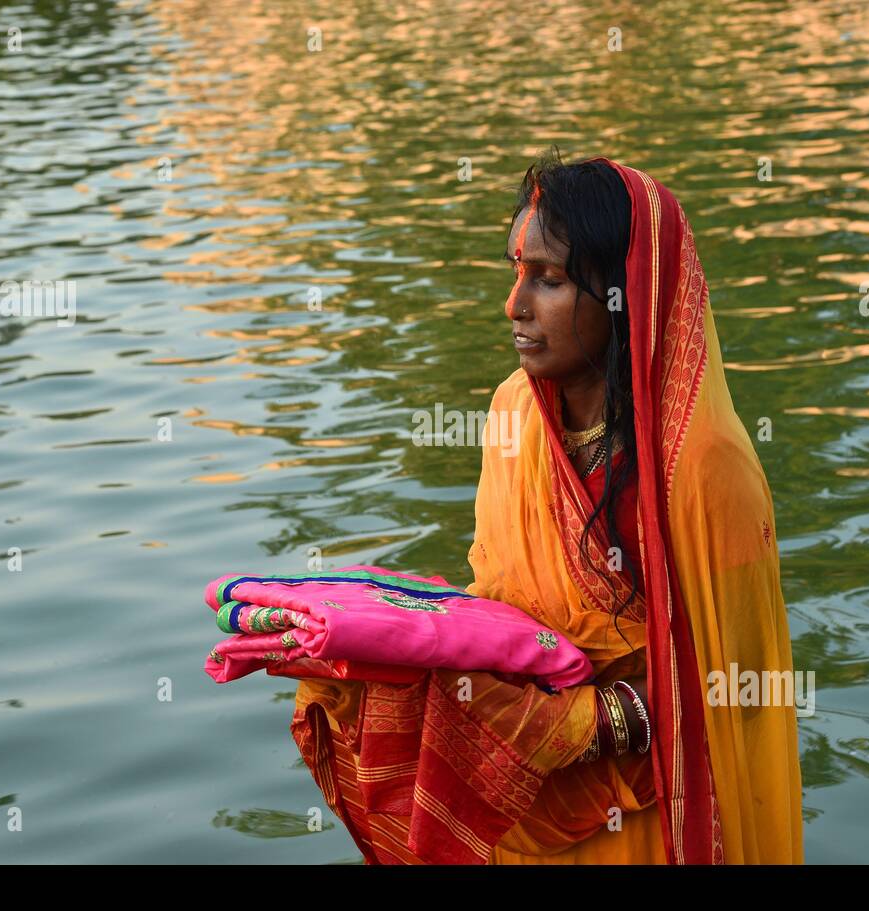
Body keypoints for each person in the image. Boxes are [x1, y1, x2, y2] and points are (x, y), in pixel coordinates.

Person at [291, 151, 803, 864]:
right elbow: (501, 602)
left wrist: (580, 723)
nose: (515, 305)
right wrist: (398, 645)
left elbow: (737, 682)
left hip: (647, 817)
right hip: (525, 810)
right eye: (516, 271)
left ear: (624, 293)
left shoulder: (705, 464)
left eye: (551, 280)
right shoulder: (513, 415)